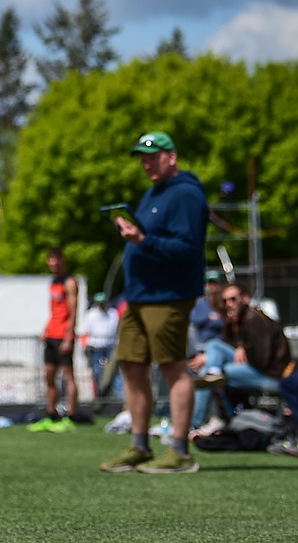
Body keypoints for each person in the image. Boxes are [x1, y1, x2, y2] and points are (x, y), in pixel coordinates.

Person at [100, 131, 208, 474]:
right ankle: (139, 446)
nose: (148, 163)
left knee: (172, 366)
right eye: (143, 158)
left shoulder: (186, 194)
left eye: (154, 156)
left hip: (169, 296)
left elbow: (186, 249)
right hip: (139, 296)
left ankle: (179, 450)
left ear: (172, 157)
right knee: (131, 365)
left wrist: (142, 239)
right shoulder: (153, 193)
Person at [189, 281, 291, 439]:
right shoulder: (236, 321)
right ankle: (212, 372)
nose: (229, 304)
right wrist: (235, 341)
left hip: (271, 376)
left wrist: (244, 347)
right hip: (252, 368)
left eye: (233, 299)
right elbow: (227, 345)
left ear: (245, 298)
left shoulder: (254, 319)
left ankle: (196, 423)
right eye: (225, 301)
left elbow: (263, 360)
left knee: (212, 373)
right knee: (213, 348)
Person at [29, 247, 81, 432]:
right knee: (49, 376)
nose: (54, 263)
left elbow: (73, 311)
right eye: (51, 259)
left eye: (57, 259)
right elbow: (55, 311)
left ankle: (71, 416)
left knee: (68, 377)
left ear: (63, 260)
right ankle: (51, 415)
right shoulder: (53, 282)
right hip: (51, 335)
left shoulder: (69, 282)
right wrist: (46, 330)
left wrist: (68, 337)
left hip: (64, 336)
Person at [187, 270, 227, 435]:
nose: (212, 286)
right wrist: (195, 354)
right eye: (209, 282)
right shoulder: (199, 304)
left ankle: (195, 423)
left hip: (220, 352)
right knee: (193, 378)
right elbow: (192, 328)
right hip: (200, 351)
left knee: (207, 375)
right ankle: (205, 419)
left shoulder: (225, 304)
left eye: (215, 282)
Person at [82, 293, 120, 403]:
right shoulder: (91, 314)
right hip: (96, 347)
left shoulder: (113, 313)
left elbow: (115, 328)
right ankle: (100, 396)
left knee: (114, 372)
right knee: (97, 372)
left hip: (110, 346)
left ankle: (116, 397)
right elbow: (87, 331)